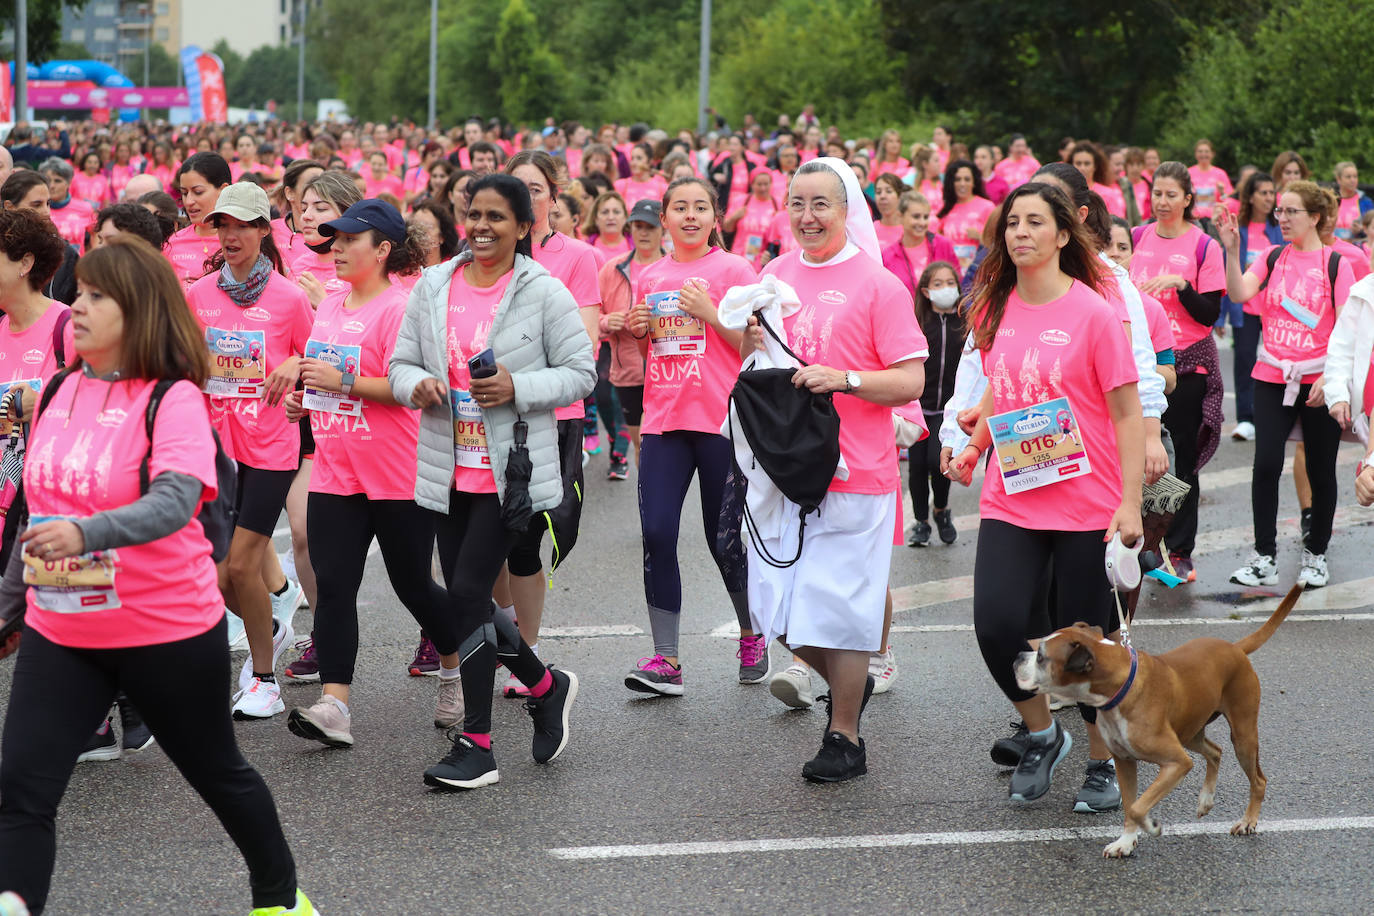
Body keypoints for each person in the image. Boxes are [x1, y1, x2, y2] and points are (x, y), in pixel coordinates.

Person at [0, 237, 317, 916]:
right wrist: (8, 606)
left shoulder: (172, 399)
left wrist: (88, 532)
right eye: (76, 292)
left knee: (219, 775)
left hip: (164, 632)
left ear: (138, 310)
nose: (75, 307)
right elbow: (37, 507)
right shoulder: (57, 388)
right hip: (62, 630)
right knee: (22, 792)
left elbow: (174, 501)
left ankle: (279, 897)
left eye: (94, 296)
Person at [387, 172, 591, 790]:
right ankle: (546, 686)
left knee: (469, 591)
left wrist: (517, 388)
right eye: (474, 214)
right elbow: (400, 364)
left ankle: (477, 744)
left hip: (512, 475)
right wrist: (414, 385)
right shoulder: (433, 285)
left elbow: (582, 373)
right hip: (448, 467)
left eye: (497, 217)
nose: (481, 227)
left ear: (524, 226)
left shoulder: (543, 292)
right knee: (467, 598)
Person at [947, 181, 1143, 807]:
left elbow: (1126, 412)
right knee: (996, 622)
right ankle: (1041, 734)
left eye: (1035, 221)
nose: (1020, 232)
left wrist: (1130, 501)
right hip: (1015, 494)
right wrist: (976, 446)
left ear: (1064, 234)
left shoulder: (1095, 312)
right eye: (1012, 223)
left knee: (1085, 640)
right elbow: (1006, 388)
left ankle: (1101, 760)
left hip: (1088, 500)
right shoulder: (999, 307)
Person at [741, 157, 925, 782]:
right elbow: (761, 361)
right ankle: (849, 687)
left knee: (840, 613)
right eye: (797, 203)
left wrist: (843, 379)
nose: (807, 216)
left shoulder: (879, 284)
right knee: (779, 612)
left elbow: (910, 378)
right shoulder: (773, 275)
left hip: (856, 472)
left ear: (847, 209)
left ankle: (844, 735)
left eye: (821, 203)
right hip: (785, 471)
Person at [283, 199, 462, 747]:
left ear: (383, 250)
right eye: (332, 240)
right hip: (337, 470)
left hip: (395, 472)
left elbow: (415, 389)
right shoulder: (333, 301)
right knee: (333, 586)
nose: (334, 248)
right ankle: (335, 705)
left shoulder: (402, 308)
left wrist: (341, 383)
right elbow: (324, 376)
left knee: (414, 586)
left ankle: (455, 670)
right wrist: (306, 399)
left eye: (348, 240)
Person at [622, 176, 760, 696]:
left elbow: (753, 345)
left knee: (724, 540)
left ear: (714, 218)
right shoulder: (650, 275)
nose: (690, 216)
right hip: (663, 422)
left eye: (700, 207)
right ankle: (667, 659)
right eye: (680, 207)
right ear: (665, 219)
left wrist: (710, 314)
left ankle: (753, 634)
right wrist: (639, 328)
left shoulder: (735, 270)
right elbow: (649, 351)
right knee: (656, 533)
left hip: (722, 422)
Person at [185, 183, 314, 719]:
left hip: (270, 448)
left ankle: (264, 680)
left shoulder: (289, 298)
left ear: (265, 229)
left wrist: (298, 373)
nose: (230, 235)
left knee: (240, 567)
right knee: (220, 577)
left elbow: (321, 366)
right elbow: (189, 368)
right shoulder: (200, 295)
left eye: (241, 225)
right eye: (222, 225)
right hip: (216, 451)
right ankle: (273, 626)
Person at [1216, 182, 1355, 590]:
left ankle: (1316, 554)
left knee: (1320, 469)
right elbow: (1240, 293)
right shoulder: (1272, 256)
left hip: (1319, 377)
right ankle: (1264, 556)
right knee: (1265, 465)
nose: (1283, 219)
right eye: (1279, 211)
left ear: (1314, 217)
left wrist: (1331, 376)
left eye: (1291, 211)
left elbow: (1347, 328)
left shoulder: (1335, 263)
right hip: (1273, 373)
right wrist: (1230, 250)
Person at [1127, 162, 1226, 583]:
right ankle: (1142, 546)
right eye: (1157, 194)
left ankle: (1180, 551)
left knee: (1179, 461)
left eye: (1171, 195)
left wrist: (1180, 285)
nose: (1162, 202)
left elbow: (1211, 313)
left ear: (1188, 199)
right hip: (1139, 363)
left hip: (1186, 364)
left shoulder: (1204, 246)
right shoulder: (1136, 237)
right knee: (1137, 458)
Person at [596, 199, 661, 472]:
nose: (643, 232)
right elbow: (590, 317)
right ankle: (649, 502)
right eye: (638, 226)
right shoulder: (612, 269)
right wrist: (607, 321)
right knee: (641, 446)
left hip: (668, 372)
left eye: (650, 226)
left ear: (663, 228)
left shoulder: (674, 266)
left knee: (663, 446)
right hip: (629, 371)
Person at [905, 260, 964, 547]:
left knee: (937, 461)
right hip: (918, 406)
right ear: (927, 292)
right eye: (938, 284)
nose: (945, 288)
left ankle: (941, 509)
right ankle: (921, 522)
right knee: (916, 466)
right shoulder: (918, 323)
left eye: (950, 282)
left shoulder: (965, 324)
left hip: (949, 409)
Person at [1224, 171, 1283, 442]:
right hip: (1245, 307)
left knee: (1276, 361)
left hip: (1274, 308)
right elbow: (1231, 269)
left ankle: (1276, 414)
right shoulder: (1242, 228)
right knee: (1245, 360)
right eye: (1263, 193)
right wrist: (1219, 316)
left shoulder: (1280, 228)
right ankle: (1245, 419)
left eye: (1272, 193)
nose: (1269, 198)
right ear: (1250, 196)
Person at [166, 152, 232, 289]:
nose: (189, 201)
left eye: (198, 192)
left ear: (224, 190)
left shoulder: (244, 240)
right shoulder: (173, 244)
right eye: (184, 193)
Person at [881, 191, 959, 302]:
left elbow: (957, 282)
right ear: (900, 216)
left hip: (941, 317)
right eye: (916, 217)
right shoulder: (888, 256)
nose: (922, 222)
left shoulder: (943, 245)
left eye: (925, 217)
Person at [935, 159, 995, 275]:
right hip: (951, 274)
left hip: (979, 272)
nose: (962, 183)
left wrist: (980, 237)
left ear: (974, 182)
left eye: (967, 179)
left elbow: (998, 244)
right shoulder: (944, 209)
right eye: (958, 179)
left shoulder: (987, 207)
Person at [724, 168, 779, 271]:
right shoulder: (741, 201)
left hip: (765, 260)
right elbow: (727, 228)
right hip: (740, 257)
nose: (763, 188)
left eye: (766, 184)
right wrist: (734, 217)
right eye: (759, 184)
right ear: (752, 184)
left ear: (771, 184)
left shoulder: (778, 205)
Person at [38, 159, 94, 254]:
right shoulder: (36, 209)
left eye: (57, 181)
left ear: (68, 183)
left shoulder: (85, 208)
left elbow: (95, 233)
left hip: (77, 266)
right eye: (47, 181)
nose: (51, 185)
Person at [581, 190, 632, 262]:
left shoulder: (637, 246)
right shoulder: (584, 246)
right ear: (595, 218)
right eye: (605, 212)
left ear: (625, 217)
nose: (611, 217)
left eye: (616, 212)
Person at [1187, 139, 1233, 221]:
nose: (1203, 154)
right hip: (1193, 218)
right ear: (1195, 154)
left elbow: (1229, 200)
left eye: (1206, 151)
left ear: (1212, 154)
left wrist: (1222, 192)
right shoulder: (1188, 172)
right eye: (1200, 151)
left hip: (1215, 219)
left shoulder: (1220, 173)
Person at [409, 198, 460, 268]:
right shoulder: (401, 272)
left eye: (428, 226)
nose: (420, 232)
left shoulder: (452, 269)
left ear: (442, 237)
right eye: (416, 226)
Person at [1333, 162, 1373, 241]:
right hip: (1332, 249)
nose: (1353, 180)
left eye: (1355, 176)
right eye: (1348, 177)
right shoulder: (1331, 200)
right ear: (1338, 179)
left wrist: (1362, 230)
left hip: (1359, 248)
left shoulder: (1366, 202)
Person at [870, 172, 905, 250]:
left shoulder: (909, 229)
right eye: (878, 192)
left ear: (900, 196)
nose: (882, 196)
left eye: (889, 191)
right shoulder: (870, 230)